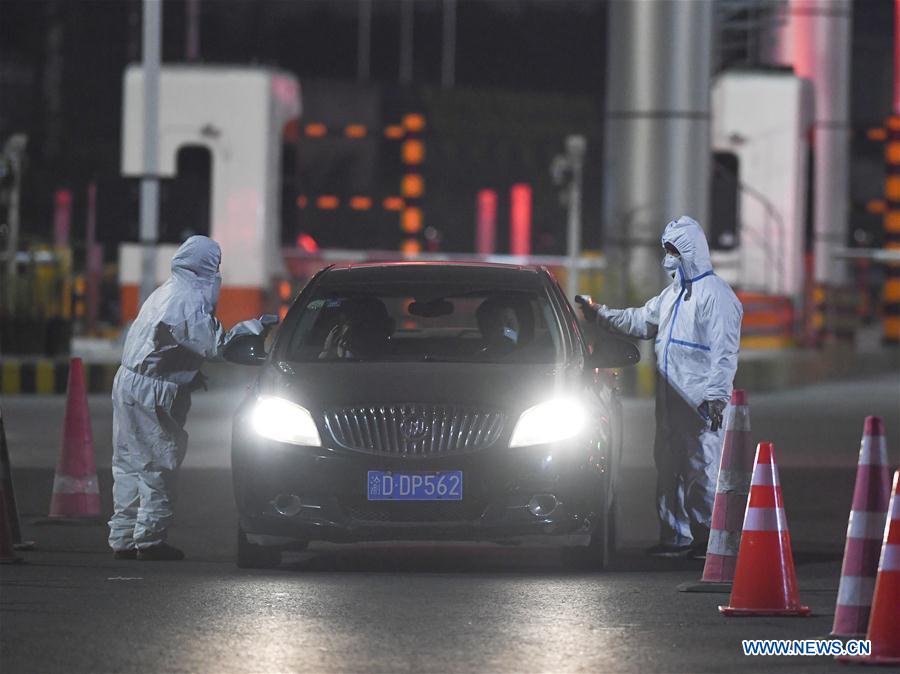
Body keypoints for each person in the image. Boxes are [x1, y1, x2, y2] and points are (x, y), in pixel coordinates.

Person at [579, 216, 742, 558]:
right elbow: (640, 320)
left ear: (689, 252)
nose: (667, 258)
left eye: (672, 250)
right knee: (669, 472)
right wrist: (599, 314)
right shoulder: (672, 296)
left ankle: (710, 543)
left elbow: (724, 353)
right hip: (670, 406)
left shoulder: (717, 297)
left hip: (699, 406)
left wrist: (716, 397)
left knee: (702, 473)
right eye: (665, 250)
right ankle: (675, 538)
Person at [108, 235, 269, 561]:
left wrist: (188, 373)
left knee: (128, 463)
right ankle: (150, 540)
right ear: (207, 266)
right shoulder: (187, 299)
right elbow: (215, 346)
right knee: (158, 462)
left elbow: (164, 344)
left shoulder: (166, 290)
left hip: (129, 382)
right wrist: (253, 329)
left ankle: (123, 538)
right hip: (153, 390)